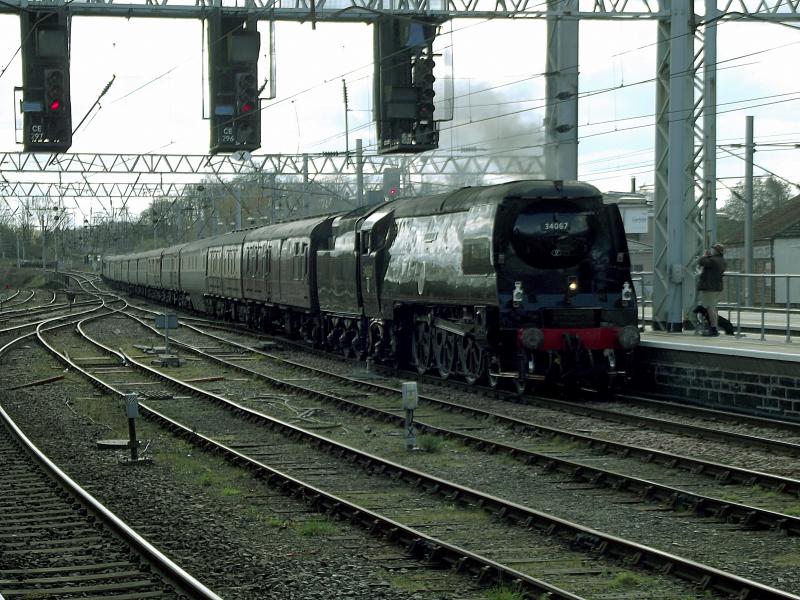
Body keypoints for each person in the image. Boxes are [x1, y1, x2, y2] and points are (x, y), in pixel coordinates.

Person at [697, 243, 727, 336]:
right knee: (712, 308)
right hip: (717, 287)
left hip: (709, 288)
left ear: (716, 251)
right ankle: (712, 327)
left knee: (710, 308)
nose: (711, 251)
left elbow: (700, 262)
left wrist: (704, 256)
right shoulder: (722, 260)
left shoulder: (712, 260)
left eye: (712, 249)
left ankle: (713, 329)